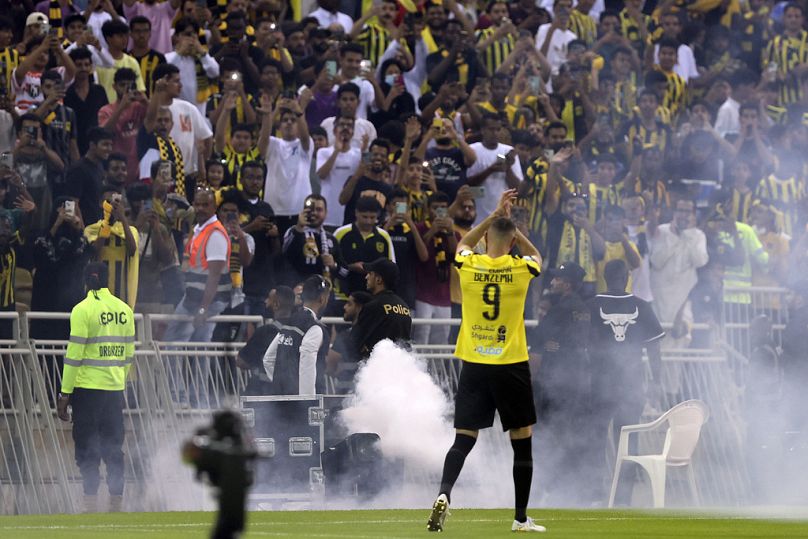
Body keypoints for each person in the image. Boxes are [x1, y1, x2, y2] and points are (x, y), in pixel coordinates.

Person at [428, 189, 545, 533]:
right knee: (522, 441)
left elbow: (463, 241)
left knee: (464, 438)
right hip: (510, 364)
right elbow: (535, 253)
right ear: (511, 245)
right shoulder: (521, 267)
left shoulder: (470, 263)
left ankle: (444, 494)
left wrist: (494, 216)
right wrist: (510, 226)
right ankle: (520, 519)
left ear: (487, 241)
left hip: (475, 364)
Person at [57, 262, 136, 513]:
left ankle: (90, 503)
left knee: (86, 446)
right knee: (114, 447)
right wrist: (118, 380)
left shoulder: (82, 309)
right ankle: (116, 503)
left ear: (85, 281)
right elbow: (128, 355)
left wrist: (64, 393)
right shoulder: (124, 310)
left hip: (87, 389)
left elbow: (74, 355)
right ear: (107, 280)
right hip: (114, 390)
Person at [587, 259, 664, 503]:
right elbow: (654, 350)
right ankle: (623, 500)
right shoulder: (642, 306)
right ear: (627, 277)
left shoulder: (592, 305)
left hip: (599, 385)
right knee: (628, 443)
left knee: (596, 440)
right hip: (631, 386)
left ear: (605, 277)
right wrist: (656, 382)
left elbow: (580, 346)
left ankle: (596, 495)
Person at [262, 275, 332, 395]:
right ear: (322, 298)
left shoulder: (289, 321)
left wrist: (283, 386)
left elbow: (268, 359)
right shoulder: (314, 327)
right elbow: (307, 363)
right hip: (302, 406)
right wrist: (307, 401)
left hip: (280, 401)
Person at [84, 185, 140, 308]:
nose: (112, 206)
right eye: (108, 202)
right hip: (98, 291)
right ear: (100, 204)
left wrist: (123, 218)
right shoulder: (92, 229)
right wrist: (108, 223)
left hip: (122, 294)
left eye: (116, 203)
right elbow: (95, 250)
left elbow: (132, 250)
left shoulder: (131, 230)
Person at [236, 286, 296, 395]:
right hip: (291, 396)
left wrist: (258, 364)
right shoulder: (300, 332)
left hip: (262, 395)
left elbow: (241, 361)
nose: (265, 302)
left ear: (276, 305)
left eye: (269, 299)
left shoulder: (265, 332)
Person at [351, 257, 412, 359]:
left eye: (370, 273)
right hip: (400, 367)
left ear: (379, 279)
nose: (366, 277)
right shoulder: (404, 307)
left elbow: (355, 342)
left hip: (377, 367)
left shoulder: (373, 306)